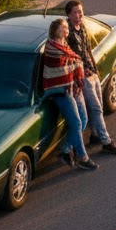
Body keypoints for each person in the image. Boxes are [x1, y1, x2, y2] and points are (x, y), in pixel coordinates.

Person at [65, 0, 116, 154]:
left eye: (80, 11)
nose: (79, 15)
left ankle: (95, 135)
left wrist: (94, 67)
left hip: (91, 71)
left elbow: (87, 48)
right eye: (76, 12)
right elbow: (68, 58)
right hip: (81, 75)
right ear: (69, 15)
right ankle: (106, 141)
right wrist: (82, 72)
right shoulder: (67, 32)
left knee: (98, 106)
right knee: (96, 107)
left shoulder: (82, 26)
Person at [41, 17, 98, 171]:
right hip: (61, 91)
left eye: (66, 28)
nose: (66, 30)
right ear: (55, 30)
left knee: (83, 119)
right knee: (77, 123)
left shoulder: (64, 45)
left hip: (73, 87)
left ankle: (65, 150)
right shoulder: (51, 48)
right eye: (62, 28)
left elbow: (74, 61)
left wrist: (78, 74)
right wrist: (76, 67)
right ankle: (82, 157)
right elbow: (64, 66)